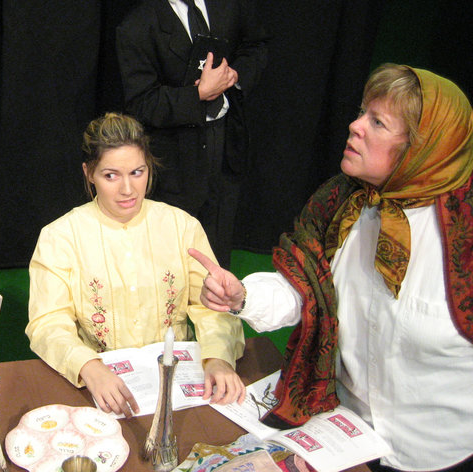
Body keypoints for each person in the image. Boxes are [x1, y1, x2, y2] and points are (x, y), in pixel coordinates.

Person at [195, 64, 473, 471]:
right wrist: (242, 296)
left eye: (377, 122)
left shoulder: (463, 236)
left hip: (439, 454)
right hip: (346, 438)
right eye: (362, 112)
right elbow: (305, 290)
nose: (355, 126)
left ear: (423, 147)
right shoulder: (341, 204)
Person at [25, 112, 245, 418]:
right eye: (111, 175)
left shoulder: (181, 226)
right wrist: (87, 366)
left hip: (177, 385)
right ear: (89, 173)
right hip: (102, 387)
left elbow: (211, 307)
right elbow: (47, 322)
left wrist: (218, 358)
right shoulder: (60, 237)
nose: (127, 189)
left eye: (137, 172)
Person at [116, 0, 269, 269]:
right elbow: (141, 103)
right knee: (174, 261)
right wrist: (198, 94)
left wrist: (235, 77)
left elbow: (256, 44)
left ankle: (217, 322)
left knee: (218, 257)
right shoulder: (136, 25)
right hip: (177, 164)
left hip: (227, 149)